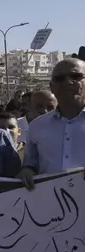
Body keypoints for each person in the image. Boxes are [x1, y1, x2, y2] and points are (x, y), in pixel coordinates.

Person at [18, 58, 85, 189]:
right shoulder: (37, 126)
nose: (68, 82)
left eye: (76, 76)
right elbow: (30, 165)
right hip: (50, 204)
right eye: (59, 79)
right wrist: (26, 172)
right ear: (51, 87)